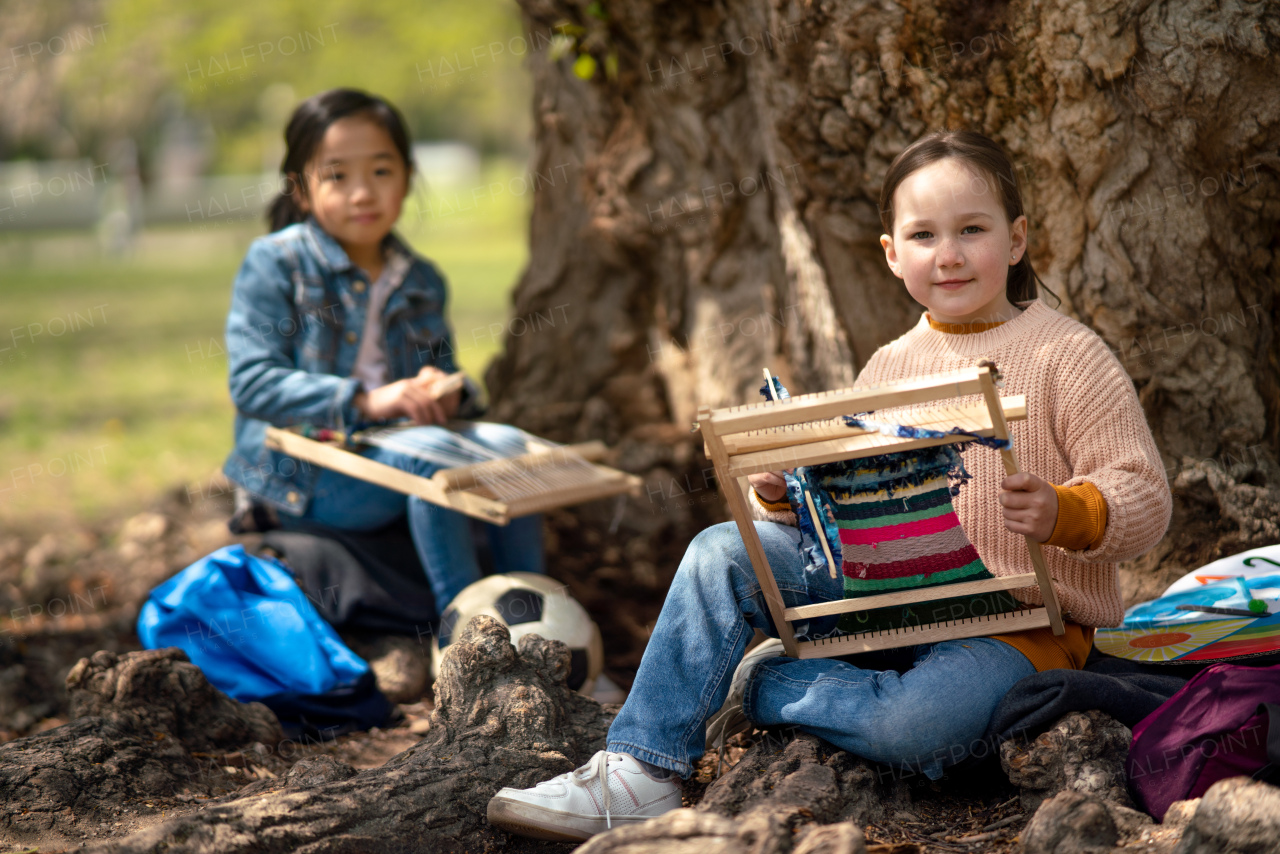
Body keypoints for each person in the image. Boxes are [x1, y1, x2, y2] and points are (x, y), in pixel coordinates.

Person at [486, 129, 1172, 842]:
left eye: (973, 229)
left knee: (917, 727)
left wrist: (1069, 510)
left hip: (1017, 631)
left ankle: (761, 683)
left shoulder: (1066, 353)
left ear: (1018, 237)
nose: (950, 254)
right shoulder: (888, 367)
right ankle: (641, 769)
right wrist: (784, 498)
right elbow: (842, 515)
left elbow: (1145, 494)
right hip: (883, 600)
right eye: (924, 234)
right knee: (721, 552)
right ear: (892, 253)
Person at [223, 88, 543, 612]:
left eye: (380, 171)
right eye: (337, 176)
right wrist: (369, 403)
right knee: (425, 471)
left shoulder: (421, 279)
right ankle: (465, 637)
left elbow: (442, 371)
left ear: (407, 179)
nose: (362, 193)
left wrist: (446, 394)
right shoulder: (275, 262)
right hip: (305, 470)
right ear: (300, 189)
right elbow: (252, 382)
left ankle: (537, 616)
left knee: (514, 450)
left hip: (395, 446)